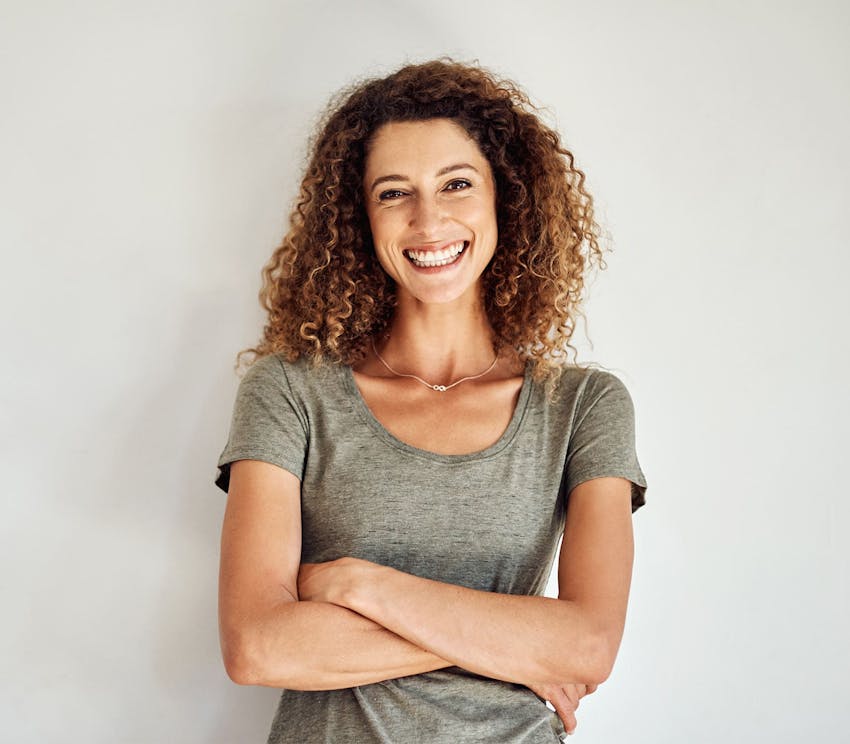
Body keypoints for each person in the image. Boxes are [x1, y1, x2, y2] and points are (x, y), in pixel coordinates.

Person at [214, 58, 647, 743]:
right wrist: (515, 637)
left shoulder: (583, 407)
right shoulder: (291, 391)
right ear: (360, 217)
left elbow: (589, 646)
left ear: (504, 197)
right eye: (393, 192)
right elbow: (258, 648)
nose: (428, 219)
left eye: (456, 183)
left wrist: (359, 586)